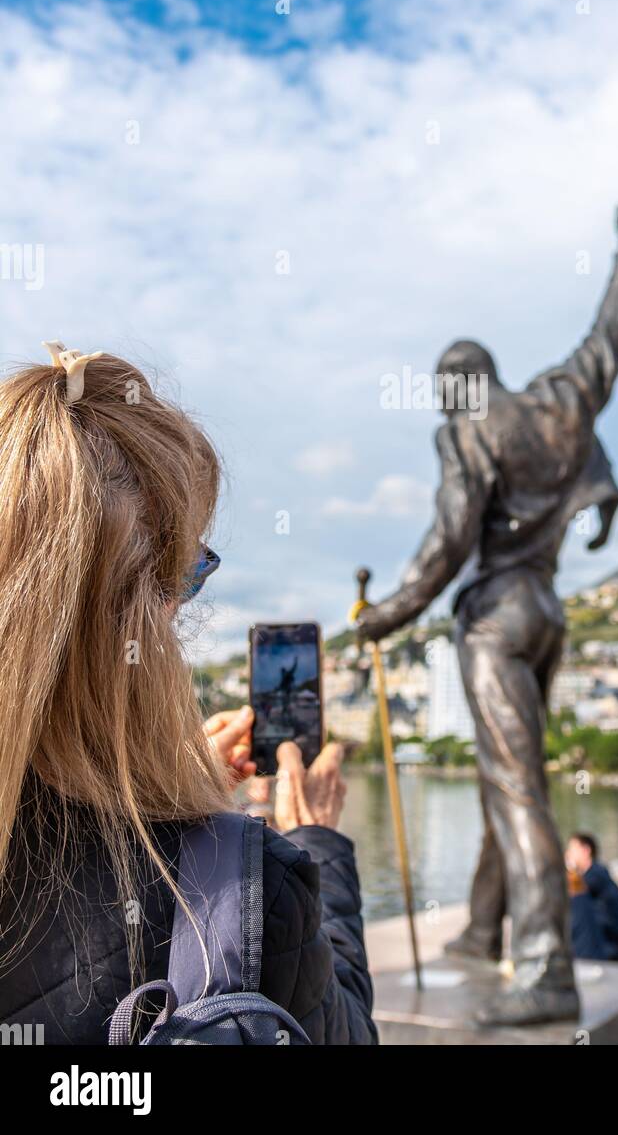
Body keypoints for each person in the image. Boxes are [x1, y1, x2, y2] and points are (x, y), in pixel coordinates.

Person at [0, 344, 376, 1045]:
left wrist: (164, 792)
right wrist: (316, 844)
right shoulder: (252, 890)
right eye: (192, 571)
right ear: (156, 602)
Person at [356, 205, 618, 1025]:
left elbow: (449, 536)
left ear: (456, 384)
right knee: (507, 775)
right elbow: (609, 332)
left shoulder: (468, 428)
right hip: (548, 612)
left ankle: (546, 966)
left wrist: (390, 612)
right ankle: (484, 930)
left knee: (515, 789)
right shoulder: (560, 405)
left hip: (495, 621)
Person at [566, 834, 618, 963]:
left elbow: (568, 894)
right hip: (614, 942)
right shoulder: (598, 873)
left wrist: (569, 868)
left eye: (572, 849)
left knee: (577, 904)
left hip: (612, 946)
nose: (568, 854)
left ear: (586, 850)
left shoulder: (594, 877)